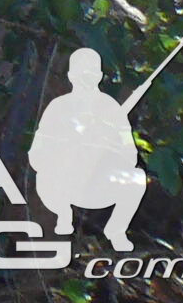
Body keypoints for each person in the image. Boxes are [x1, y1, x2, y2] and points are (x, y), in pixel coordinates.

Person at [28, 46, 149, 251]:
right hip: (59, 185)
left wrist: (107, 145)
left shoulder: (110, 108)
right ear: (71, 76)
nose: (86, 79)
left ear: (99, 76)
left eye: (91, 73)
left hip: (96, 184)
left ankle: (116, 230)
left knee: (136, 179)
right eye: (81, 73)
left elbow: (129, 155)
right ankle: (64, 216)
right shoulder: (59, 107)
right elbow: (37, 154)